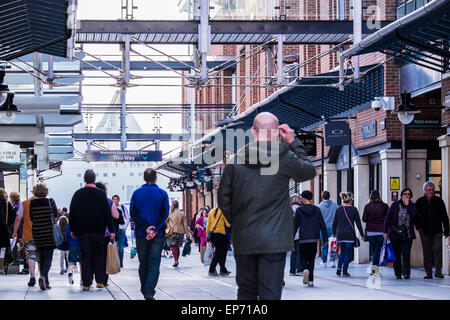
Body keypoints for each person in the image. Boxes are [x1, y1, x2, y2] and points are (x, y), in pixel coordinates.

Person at [218, 112, 316, 300]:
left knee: (246, 290)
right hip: (275, 239)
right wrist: (293, 141)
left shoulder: (235, 161)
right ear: (276, 133)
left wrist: (239, 222)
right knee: (270, 291)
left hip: (245, 237)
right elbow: (308, 170)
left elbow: (224, 199)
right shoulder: (285, 157)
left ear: (253, 131)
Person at [69, 169, 115, 291]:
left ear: (84, 179)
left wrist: (72, 229)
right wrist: (111, 230)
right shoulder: (101, 194)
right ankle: (99, 281)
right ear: (94, 179)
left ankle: (86, 283)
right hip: (98, 230)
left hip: (83, 230)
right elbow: (107, 213)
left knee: (85, 255)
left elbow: (72, 212)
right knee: (99, 254)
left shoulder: (78, 194)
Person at [130, 168, 169, 300]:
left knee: (143, 262)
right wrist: (155, 229)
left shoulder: (136, 193)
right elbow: (165, 213)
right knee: (154, 261)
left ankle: (144, 288)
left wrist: (146, 228)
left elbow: (133, 213)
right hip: (158, 234)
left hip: (142, 233)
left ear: (144, 178)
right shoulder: (163, 193)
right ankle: (149, 290)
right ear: (156, 178)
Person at [415, 181, 449, 279]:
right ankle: (428, 272)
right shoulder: (420, 201)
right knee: (427, 251)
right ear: (425, 191)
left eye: (432, 190)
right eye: (429, 190)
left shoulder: (439, 201)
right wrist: (418, 227)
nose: (431, 191)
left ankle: (438, 272)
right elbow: (415, 216)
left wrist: (447, 230)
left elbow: (444, 216)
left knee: (437, 249)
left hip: (437, 230)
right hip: (424, 231)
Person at [293, 190, 327, 287]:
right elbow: (322, 225)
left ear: (303, 198)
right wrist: (325, 239)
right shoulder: (317, 209)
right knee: (311, 259)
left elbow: (295, 226)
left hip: (303, 238)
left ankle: (305, 269)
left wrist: (291, 238)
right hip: (313, 238)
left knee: (303, 257)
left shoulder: (299, 210)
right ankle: (311, 280)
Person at [29, 183, 59, 290]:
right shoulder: (50, 201)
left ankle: (45, 280)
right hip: (49, 233)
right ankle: (44, 276)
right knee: (48, 256)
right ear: (45, 191)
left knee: (41, 256)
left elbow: (31, 218)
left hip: (37, 233)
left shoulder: (32, 203)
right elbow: (56, 215)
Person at [384, 187, 417, 280]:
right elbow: (388, 218)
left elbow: (414, 215)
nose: (406, 196)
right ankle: (398, 273)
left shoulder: (412, 205)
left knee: (406, 254)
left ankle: (406, 273)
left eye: (408, 194)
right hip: (395, 234)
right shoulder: (395, 205)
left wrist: (408, 205)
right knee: (397, 254)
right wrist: (385, 231)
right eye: (405, 194)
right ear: (401, 195)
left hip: (407, 234)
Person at [332, 192, 364, 277]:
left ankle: (339, 268)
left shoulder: (338, 209)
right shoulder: (354, 209)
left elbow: (334, 222)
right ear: (350, 200)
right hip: (349, 234)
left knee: (342, 251)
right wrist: (362, 234)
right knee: (347, 253)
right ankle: (345, 271)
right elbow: (358, 223)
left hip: (340, 234)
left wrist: (333, 233)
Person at [95, 182, 120, 286]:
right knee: (104, 256)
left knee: (93, 255)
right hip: (105, 233)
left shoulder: (91, 201)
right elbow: (116, 216)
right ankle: (104, 279)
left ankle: (92, 277)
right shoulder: (109, 201)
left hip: (92, 232)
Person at [12, 191, 38, 286]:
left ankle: (32, 276)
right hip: (42, 234)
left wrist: (15, 233)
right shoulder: (46, 202)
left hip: (28, 234)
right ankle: (42, 276)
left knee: (30, 256)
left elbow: (18, 219)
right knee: (41, 256)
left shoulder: (24, 203)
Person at [362, 190, 389, 274]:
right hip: (381, 232)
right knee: (377, 251)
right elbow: (387, 219)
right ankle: (374, 270)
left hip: (370, 232)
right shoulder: (385, 206)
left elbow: (364, 219)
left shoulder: (367, 206)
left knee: (374, 251)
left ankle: (374, 269)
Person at [206, 207, 231, 276]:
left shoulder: (211, 211)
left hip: (212, 235)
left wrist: (207, 235)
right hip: (221, 235)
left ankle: (223, 270)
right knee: (219, 253)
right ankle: (211, 270)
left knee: (221, 252)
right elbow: (228, 224)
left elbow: (208, 225)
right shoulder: (224, 211)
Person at [165, 200, 190, 268]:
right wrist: (187, 233)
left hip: (172, 231)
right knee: (177, 246)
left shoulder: (169, 213)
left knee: (173, 246)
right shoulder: (182, 213)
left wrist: (168, 225)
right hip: (180, 232)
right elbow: (185, 224)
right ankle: (176, 260)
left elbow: (165, 222)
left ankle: (176, 260)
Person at [318, 190, 338, 268]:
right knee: (333, 244)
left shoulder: (319, 207)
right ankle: (332, 261)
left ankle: (324, 261)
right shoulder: (335, 206)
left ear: (322, 197)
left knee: (324, 244)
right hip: (333, 227)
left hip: (323, 228)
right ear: (329, 196)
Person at [112, 195, 130, 268]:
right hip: (113, 230)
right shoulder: (111, 208)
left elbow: (127, 218)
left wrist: (125, 227)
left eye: (116, 199)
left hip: (121, 229)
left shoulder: (122, 208)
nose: (115, 200)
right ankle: (115, 262)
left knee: (120, 248)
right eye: (114, 199)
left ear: (119, 200)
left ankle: (120, 262)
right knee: (114, 247)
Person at [66, 215, 82, 286]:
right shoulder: (80, 223)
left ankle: (70, 271)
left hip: (72, 245)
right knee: (81, 262)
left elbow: (67, 234)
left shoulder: (69, 225)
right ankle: (82, 279)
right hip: (80, 244)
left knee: (72, 261)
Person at [289, 194, 302, 276]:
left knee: (293, 253)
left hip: (291, 233)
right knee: (299, 251)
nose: (301, 200)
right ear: (296, 199)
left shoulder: (288, 208)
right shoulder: (299, 209)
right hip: (298, 233)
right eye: (300, 199)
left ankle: (292, 270)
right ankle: (299, 269)